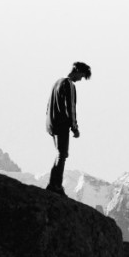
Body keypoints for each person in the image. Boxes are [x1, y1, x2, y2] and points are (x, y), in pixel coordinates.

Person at [45, 61, 91, 196]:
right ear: (76, 70)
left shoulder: (57, 82)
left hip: (51, 123)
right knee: (62, 154)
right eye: (81, 76)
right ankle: (56, 185)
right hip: (61, 124)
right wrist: (74, 127)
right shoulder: (68, 84)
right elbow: (70, 107)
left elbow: (49, 104)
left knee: (60, 153)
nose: (80, 79)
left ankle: (53, 183)